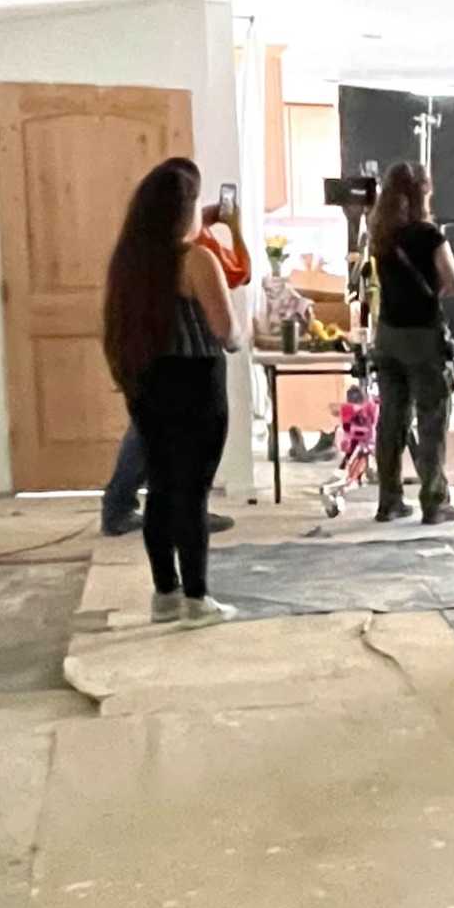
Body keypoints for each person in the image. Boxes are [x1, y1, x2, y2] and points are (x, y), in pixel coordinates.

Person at [102, 155, 238, 625]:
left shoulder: (130, 263)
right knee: (193, 493)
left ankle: (165, 593)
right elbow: (228, 333)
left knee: (160, 487)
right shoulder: (197, 260)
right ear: (185, 210)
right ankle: (198, 599)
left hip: (147, 383)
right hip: (196, 383)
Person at [103, 191, 253, 539]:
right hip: (187, 365)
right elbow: (228, 322)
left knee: (149, 436)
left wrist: (209, 218)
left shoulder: (136, 256)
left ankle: (127, 508)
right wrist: (238, 337)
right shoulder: (193, 259)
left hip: (148, 360)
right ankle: (177, 513)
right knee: (180, 444)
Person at [367, 159, 454, 526]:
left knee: (391, 419)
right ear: (423, 192)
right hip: (424, 336)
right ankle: (433, 501)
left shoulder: (379, 235)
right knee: (432, 419)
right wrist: (429, 293)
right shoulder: (428, 234)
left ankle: (389, 500)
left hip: (388, 335)